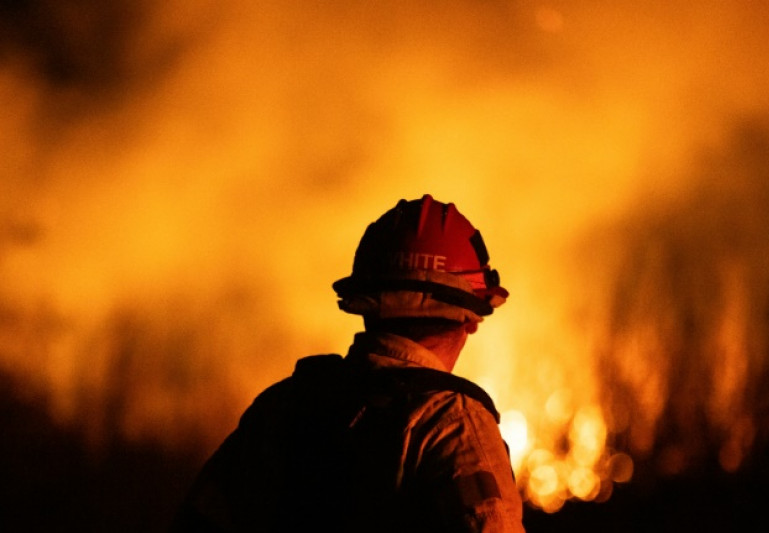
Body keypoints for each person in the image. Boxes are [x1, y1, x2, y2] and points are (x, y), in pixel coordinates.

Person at [172, 194, 525, 532]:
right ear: (470, 317)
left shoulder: (282, 406)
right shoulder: (454, 423)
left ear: (365, 303)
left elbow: (200, 522)